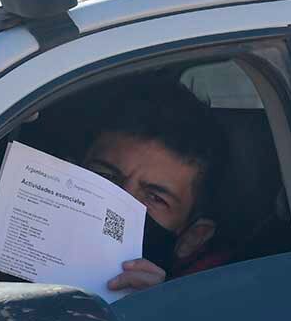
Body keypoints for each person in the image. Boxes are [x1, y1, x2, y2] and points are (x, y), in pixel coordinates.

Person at [81, 77, 232, 292]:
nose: (117, 207)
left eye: (155, 198)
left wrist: (150, 313)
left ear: (192, 238)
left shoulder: (203, 313)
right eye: (106, 176)